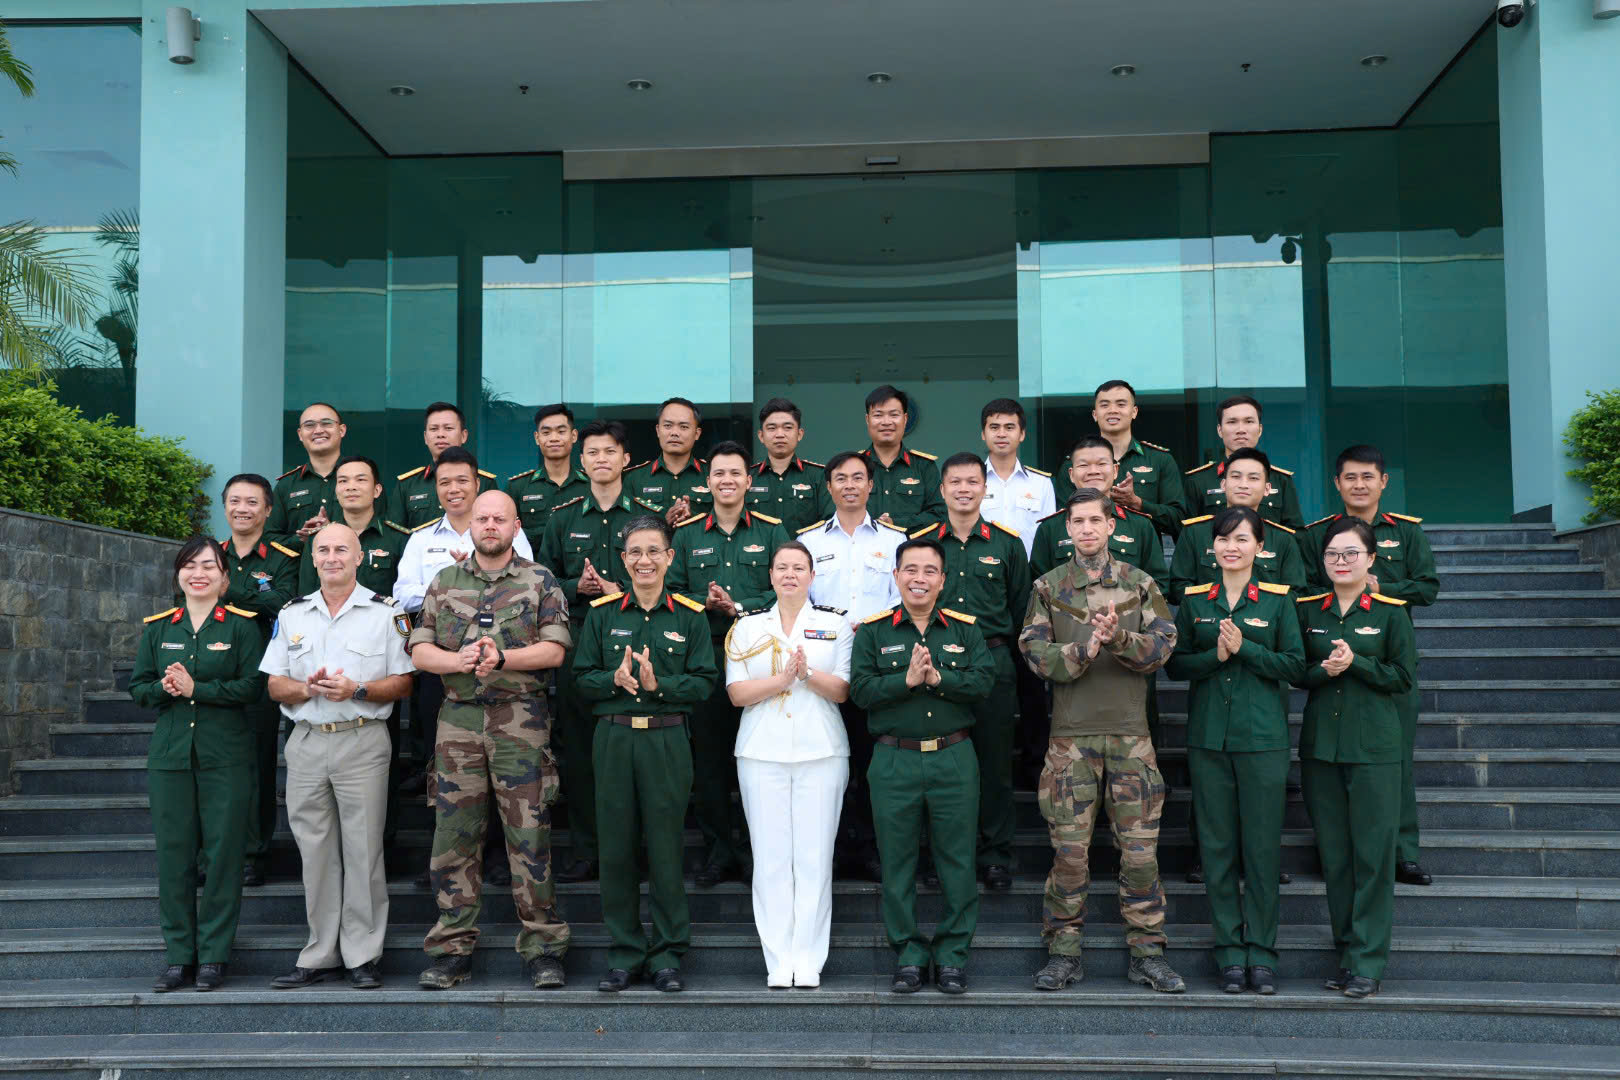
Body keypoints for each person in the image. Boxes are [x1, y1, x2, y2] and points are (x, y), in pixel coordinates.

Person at [1017, 488, 1185, 995]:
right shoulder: (1049, 587)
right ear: (1067, 528)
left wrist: (1120, 639)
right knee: (1069, 856)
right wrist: (1085, 648)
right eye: (1078, 521)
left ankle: (1148, 954)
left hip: (1132, 740)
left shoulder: (1139, 583)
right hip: (1071, 743)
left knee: (1140, 855)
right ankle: (1063, 953)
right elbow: (1034, 652)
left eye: (1096, 520)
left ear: (1112, 525)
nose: (1087, 529)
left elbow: (1164, 646)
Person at [407, 491, 574, 990]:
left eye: (500, 518)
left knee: (529, 836)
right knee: (453, 837)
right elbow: (419, 649)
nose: (490, 525)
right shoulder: (445, 581)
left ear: (515, 525)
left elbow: (555, 649)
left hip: (520, 719)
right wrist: (456, 661)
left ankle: (543, 948)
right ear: (471, 526)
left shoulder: (539, 580)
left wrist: (502, 658)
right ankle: (451, 950)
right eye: (482, 518)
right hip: (458, 721)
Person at [261, 523, 414, 991]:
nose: (332, 557)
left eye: (341, 549)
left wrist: (357, 689)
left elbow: (404, 682)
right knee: (315, 852)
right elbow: (274, 684)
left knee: (363, 850)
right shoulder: (292, 614)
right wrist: (306, 689)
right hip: (307, 740)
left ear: (359, 557)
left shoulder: (386, 612)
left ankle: (362, 955)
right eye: (323, 550)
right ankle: (320, 951)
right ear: (312, 558)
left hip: (361, 739)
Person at [572, 515, 718, 994]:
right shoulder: (602, 614)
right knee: (616, 849)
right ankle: (625, 952)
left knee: (665, 848)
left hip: (666, 739)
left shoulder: (690, 616)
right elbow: (581, 678)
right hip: (614, 738)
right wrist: (612, 679)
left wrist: (660, 686)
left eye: (654, 550)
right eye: (635, 552)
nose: (644, 560)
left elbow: (704, 682)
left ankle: (668, 955)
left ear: (670, 557)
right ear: (623, 559)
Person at [1165, 506, 1304, 995]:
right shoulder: (1194, 601)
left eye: (1242, 539)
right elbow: (1176, 666)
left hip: (1262, 740)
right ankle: (1229, 951)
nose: (1232, 547)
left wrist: (1246, 649)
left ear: (1260, 547)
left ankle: (1261, 954)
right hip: (1209, 740)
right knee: (1217, 849)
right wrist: (1216, 655)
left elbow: (1295, 666)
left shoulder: (1279, 602)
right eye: (1224, 539)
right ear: (1213, 547)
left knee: (1261, 852)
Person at [850, 537, 992, 995]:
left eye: (930, 571)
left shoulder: (965, 630)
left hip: (954, 757)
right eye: (910, 569)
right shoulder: (873, 631)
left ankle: (951, 956)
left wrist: (939, 678)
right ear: (895, 576)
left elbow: (983, 682)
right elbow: (861, 691)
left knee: (957, 861)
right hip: (894, 759)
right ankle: (909, 954)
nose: (919, 579)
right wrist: (906, 680)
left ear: (943, 579)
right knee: (897, 863)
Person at [394, 446, 534, 886]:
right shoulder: (420, 540)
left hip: (502, 667)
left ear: (477, 484)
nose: (453, 489)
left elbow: (528, 580)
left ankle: (495, 857)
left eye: (462, 481)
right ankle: (447, 860)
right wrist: (454, 581)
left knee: (499, 766)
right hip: (444, 666)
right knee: (443, 768)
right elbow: (403, 594)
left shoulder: (504, 527)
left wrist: (479, 576)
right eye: (445, 482)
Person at [130, 537, 265, 993]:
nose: (198, 573)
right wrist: (163, 688)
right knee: (174, 859)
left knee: (224, 857)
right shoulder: (158, 628)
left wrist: (197, 689)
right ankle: (178, 957)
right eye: (190, 565)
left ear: (225, 577)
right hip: (170, 757)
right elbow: (139, 687)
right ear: (178, 575)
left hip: (225, 757)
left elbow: (252, 688)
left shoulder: (243, 627)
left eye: (209, 566)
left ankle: (213, 956)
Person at [1301, 444, 1439, 887]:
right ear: (1336, 483)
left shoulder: (1406, 532)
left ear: (1383, 482)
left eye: (1367, 477)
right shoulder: (1317, 535)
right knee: (1331, 764)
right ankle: (1334, 851)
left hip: (1388, 660)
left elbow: (1428, 587)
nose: (1359, 485)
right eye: (1350, 477)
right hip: (1332, 655)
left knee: (1395, 761)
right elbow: (1303, 589)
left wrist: (1383, 588)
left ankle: (1402, 852)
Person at [537, 419, 663, 884]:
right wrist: (578, 586)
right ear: (582, 460)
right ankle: (588, 850)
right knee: (582, 751)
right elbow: (541, 581)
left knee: (640, 752)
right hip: (581, 644)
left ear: (626, 459)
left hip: (640, 642)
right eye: (592, 452)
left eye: (610, 451)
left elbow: (668, 578)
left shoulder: (648, 517)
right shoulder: (563, 517)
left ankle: (639, 852)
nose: (601, 459)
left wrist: (619, 591)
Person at [1295, 517, 1416, 1000]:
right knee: (1336, 857)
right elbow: (1297, 671)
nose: (1341, 562)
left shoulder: (1391, 613)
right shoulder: (1309, 611)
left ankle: (1368, 961)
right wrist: (1325, 670)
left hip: (1374, 751)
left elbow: (1403, 677)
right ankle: (1347, 955)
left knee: (1372, 858)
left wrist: (1358, 664)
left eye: (1351, 554)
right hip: (1322, 748)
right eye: (1332, 554)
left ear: (1371, 560)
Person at [724, 540, 853, 988]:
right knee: (771, 858)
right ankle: (779, 959)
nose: (790, 575)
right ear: (771, 576)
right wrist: (782, 680)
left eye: (799, 567)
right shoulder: (747, 626)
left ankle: (809, 958)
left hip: (822, 750)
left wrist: (807, 675)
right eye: (782, 568)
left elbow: (842, 690)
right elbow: (737, 693)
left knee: (815, 858)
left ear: (813, 576)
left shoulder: (835, 624)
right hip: (762, 750)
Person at [667, 440, 789, 887]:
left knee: (762, 758)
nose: (727, 480)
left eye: (735, 473)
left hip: (761, 661)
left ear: (749, 480)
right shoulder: (687, 535)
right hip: (706, 657)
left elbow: (787, 586)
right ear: (708, 481)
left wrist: (739, 606)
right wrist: (705, 602)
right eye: (719, 473)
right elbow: (672, 590)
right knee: (711, 761)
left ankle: (759, 852)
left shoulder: (772, 531)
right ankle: (719, 852)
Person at [909, 452, 1031, 891]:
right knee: (936, 765)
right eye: (955, 482)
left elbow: (1022, 610)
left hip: (992, 662)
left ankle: (995, 855)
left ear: (985, 488)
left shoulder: (1007, 544)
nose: (964, 489)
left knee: (994, 764)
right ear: (942, 490)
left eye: (972, 482)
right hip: (934, 661)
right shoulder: (922, 544)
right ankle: (940, 856)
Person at [798, 450, 908, 880]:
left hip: (877, 664)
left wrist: (872, 628)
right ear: (828, 487)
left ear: (870, 485)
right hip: (824, 665)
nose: (849, 485)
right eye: (840, 478)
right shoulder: (810, 542)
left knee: (872, 761)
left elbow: (903, 596)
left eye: (857, 477)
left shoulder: (894, 541)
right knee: (827, 760)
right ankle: (833, 849)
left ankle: (870, 847)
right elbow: (800, 599)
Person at [217, 474, 299, 887]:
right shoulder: (209, 555)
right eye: (235, 501)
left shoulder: (284, 558)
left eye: (252, 502)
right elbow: (188, 599)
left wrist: (226, 594)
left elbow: (283, 603)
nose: (242, 509)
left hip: (261, 671)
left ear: (268, 510)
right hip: (211, 671)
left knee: (256, 765)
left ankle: (253, 854)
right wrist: (252, 600)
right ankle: (214, 854)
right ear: (225, 507)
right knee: (213, 768)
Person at [1054, 380, 1186, 539]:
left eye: (1121, 404)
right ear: (1095, 414)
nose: (1112, 410)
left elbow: (1178, 521)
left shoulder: (1160, 460)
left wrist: (1137, 503)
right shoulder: (1074, 465)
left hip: (1140, 551)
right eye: (1104, 405)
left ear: (1134, 412)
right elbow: (1061, 523)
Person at [1171, 448, 1305, 596]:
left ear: (1267, 489)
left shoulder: (1283, 539)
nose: (1243, 484)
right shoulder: (1194, 533)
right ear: (1223, 485)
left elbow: (1295, 593)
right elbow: (1179, 588)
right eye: (1236, 476)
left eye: (1253, 478)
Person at [1032, 438, 1166, 582]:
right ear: (1071, 474)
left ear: (1115, 471)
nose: (1093, 471)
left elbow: (1158, 583)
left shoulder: (1140, 525)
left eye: (1101, 464)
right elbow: (1039, 586)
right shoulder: (1049, 528)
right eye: (1083, 465)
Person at [295, 456, 412, 596]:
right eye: (343, 481)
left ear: (376, 490)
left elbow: (404, 596)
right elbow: (307, 596)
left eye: (360, 480)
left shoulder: (399, 539)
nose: (351, 487)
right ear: (336, 490)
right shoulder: (318, 538)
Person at [1182, 395, 1304, 529]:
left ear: (1260, 429)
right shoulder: (1198, 481)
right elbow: (1190, 535)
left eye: (1249, 421)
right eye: (1232, 422)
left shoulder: (1281, 480)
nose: (1241, 430)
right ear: (1219, 430)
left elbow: (1296, 534)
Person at [390, 402, 500, 530]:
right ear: (425, 437)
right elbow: (395, 535)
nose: (440, 434)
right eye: (434, 429)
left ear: (463, 436)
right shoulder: (407, 485)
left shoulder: (486, 482)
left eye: (448, 428)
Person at [268, 402, 365, 548]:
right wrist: (300, 539)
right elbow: (270, 538)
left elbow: (378, 531)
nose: (318, 430)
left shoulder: (363, 478)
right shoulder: (286, 485)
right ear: (300, 435)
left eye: (326, 423)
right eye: (309, 425)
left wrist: (331, 532)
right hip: (299, 562)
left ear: (342, 430)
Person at [506, 403, 589, 551]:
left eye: (561, 431)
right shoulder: (518, 487)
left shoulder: (591, 485)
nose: (554, 438)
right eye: (546, 432)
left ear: (574, 436)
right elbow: (506, 534)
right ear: (537, 438)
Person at [861, 385, 944, 531]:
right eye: (878, 415)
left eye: (894, 415)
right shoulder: (853, 466)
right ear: (868, 420)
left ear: (905, 419)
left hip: (912, 544)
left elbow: (939, 514)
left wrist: (896, 524)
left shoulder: (924, 466)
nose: (886, 422)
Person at [978, 398, 1055, 553]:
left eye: (1009, 427)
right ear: (983, 434)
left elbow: (1050, 535)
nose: (1001, 434)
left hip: (1030, 567)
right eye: (994, 427)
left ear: (1022, 434)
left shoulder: (1041, 483)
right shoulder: (971, 482)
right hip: (981, 566)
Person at [748, 397, 832, 534]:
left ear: (799, 434)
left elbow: (829, 523)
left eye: (787, 428)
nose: (780, 434)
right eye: (772, 428)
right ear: (761, 436)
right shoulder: (747, 478)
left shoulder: (819, 476)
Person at [625, 396, 711, 525]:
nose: (674, 432)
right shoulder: (634, 478)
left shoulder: (712, 475)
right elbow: (627, 527)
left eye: (684, 427)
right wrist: (662, 523)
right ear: (658, 430)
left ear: (697, 434)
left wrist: (692, 519)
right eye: (668, 426)